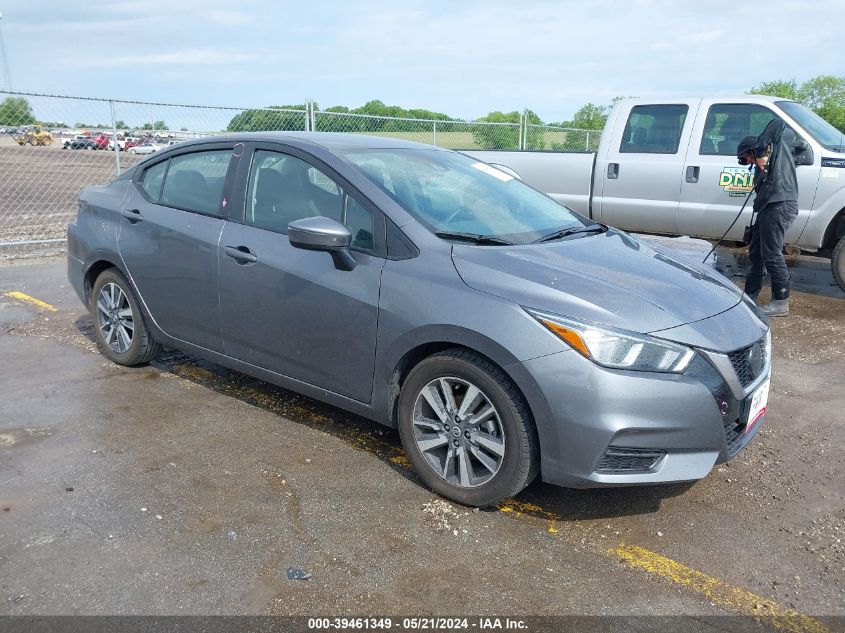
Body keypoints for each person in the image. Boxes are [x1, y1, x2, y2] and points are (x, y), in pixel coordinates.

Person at [736, 119, 799, 317]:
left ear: (755, 150)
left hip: (780, 207)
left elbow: (778, 123)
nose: (750, 162)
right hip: (767, 209)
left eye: (748, 157)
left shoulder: (777, 153)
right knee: (756, 253)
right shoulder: (759, 169)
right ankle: (750, 295)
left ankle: (780, 302)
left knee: (772, 254)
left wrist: (762, 150)